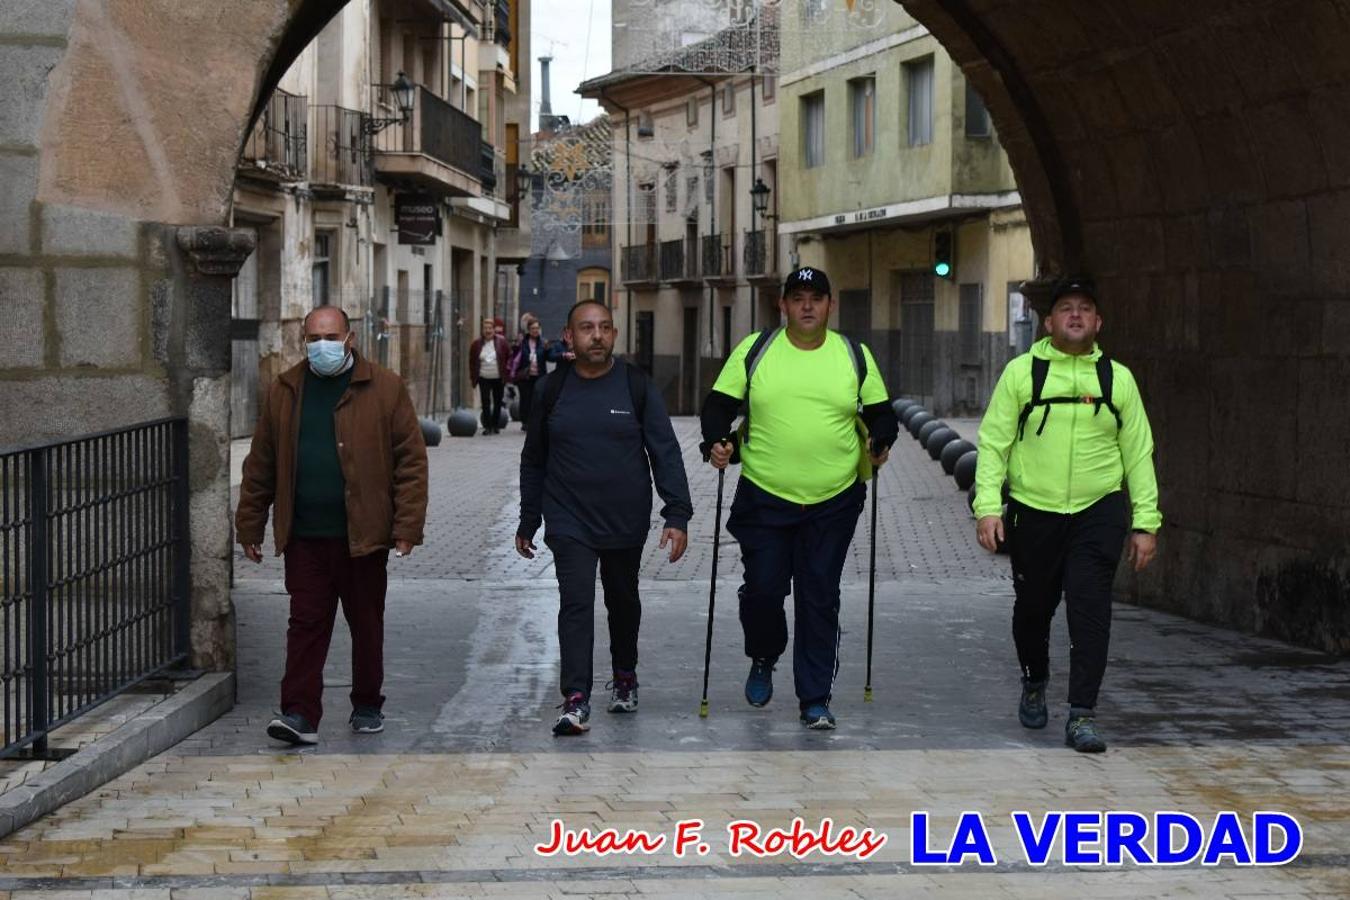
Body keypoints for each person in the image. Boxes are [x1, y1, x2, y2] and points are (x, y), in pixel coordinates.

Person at [700, 267, 899, 730]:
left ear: (831, 305)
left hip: (834, 498)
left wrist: (881, 440)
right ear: (783, 305)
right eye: (797, 298)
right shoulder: (756, 350)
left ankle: (814, 699)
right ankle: (764, 653)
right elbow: (718, 406)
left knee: (819, 596)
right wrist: (716, 439)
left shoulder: (854, 355)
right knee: (764, 591)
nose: (807, 305)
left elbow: (881, 414)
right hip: (765, 496)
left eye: (816, 297)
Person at [973, 276, 1160, 754]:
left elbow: (1138, 453)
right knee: (1033, 608)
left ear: (1098, 322)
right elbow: (994, 443)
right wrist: (988, 507)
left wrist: (1145, 523)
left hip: (1098, 511)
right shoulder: (1022, 373)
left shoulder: (1118, 379)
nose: (1075, 315)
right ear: (1048, 320)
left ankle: (1082, 714)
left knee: (1090, 610)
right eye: (1065, 308)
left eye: (1085, 308)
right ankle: (1035, 679)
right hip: (1034, 511)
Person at [236, 305, 428, 746]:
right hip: (305, 534)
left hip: (363, 535)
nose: (322, 346)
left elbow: (411, 462)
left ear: (350, 339)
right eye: (313, 338)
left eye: (331, 336)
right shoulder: (286, 390)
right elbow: (261, 463)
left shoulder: (385, 387)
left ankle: (366, 703)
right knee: (305, 623)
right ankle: (299, 714)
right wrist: (249, 524)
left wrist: (407, 525)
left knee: (366, 622)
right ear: (304, 341)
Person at [516, 300, 693, 736]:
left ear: (614, 335)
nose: (597, 335)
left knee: (622, 600)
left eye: (605, 328)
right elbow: (533, 459)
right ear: (569, 337)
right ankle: (576, 697)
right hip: (568, 519)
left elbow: (664, 451)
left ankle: (625, 675)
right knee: (575, 603)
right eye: (587, 328)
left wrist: (677, 513)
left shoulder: (636, 386)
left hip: (625, 518)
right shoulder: (551, 391)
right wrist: (528, 518)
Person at [469, 317, 511, 434]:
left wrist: (507, 371)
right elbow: (472, 361)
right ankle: (487, 426)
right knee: (485, 401)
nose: (488, 331)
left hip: (498, 376)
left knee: (498, 401)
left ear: (494, 330)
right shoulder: (476, 344)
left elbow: (509, 356)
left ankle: (495, 424)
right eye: (485, 328)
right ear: (482, 330)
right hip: (484, 377)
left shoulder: (502, 342)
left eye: (490, 328)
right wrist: (473, 377)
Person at [511, 318, 549, 431]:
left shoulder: (543, 342)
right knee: (525, 399)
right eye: (533, 328)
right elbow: (514, 355)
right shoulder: (522, 342)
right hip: (525, 376)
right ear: (528, 330)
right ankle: (525, 422)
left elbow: (549, 356)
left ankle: (536, 422)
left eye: (537, 328)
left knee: (538, 399)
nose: (535, 331)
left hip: (539, 375)